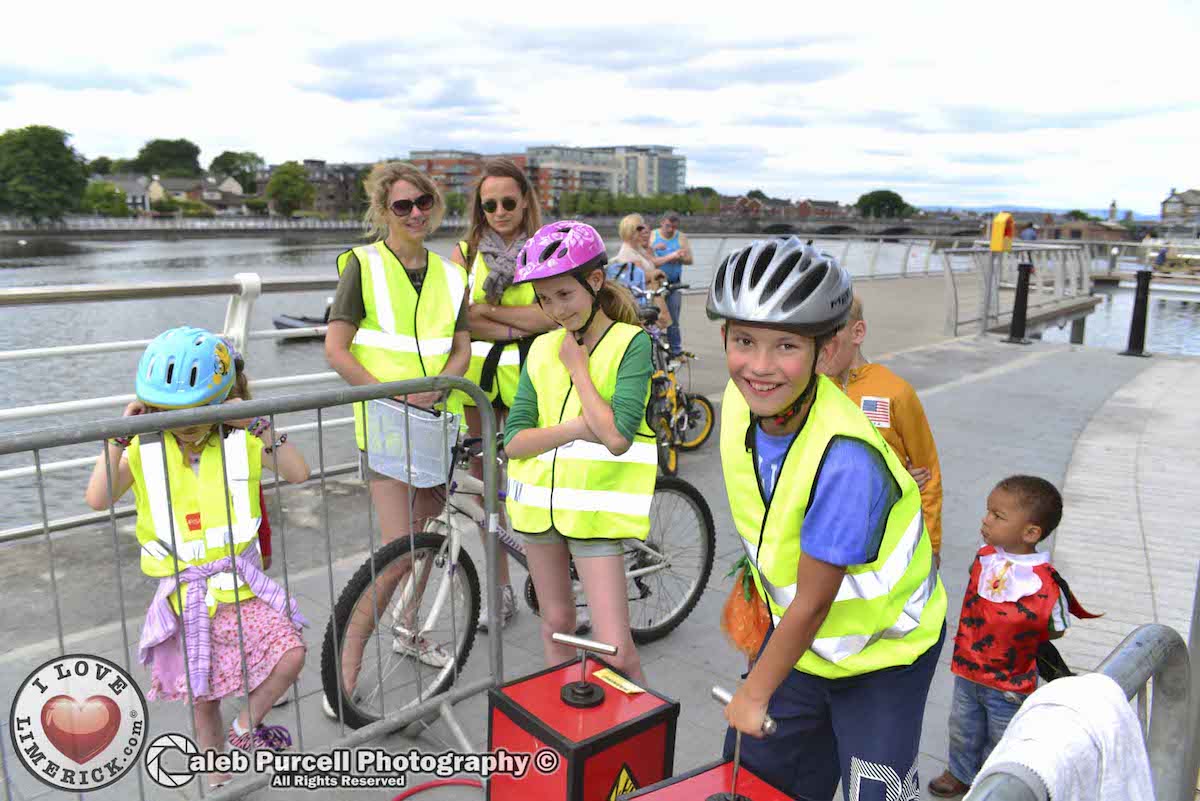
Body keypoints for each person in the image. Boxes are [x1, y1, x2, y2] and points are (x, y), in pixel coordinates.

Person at [709, 237, 947, 800]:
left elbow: (815, 600)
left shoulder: (847, 459)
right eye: (744, 341)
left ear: (828, 348)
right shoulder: (743, 401)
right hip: (801, 643)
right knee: (757, 780)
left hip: (885, 656)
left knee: (879, 792)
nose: (761, 368)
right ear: (724, 337)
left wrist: (753, 692)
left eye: (786, 345)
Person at [84, 327, 309, 787]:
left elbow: (298, 473)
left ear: (224, 399)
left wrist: (257, 423)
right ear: (151, 406)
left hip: (244, 591)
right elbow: (97, 497)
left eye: (200, 409)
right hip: (184, 599)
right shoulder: (144, 450)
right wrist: (119, 438)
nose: (186, 422)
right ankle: (216, 777)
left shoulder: (241, 441)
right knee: (202, 698)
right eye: (172, 411)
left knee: (291, 655)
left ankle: (246, 727)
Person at [324, 162, 471, 711]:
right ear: (384, 211)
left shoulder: (452, 275)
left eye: (423, 203)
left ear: (434, 206)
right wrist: (396, 394)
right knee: (399, 554)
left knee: (430, 537)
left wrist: (442, 385)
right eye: (402, 205)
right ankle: (347, 656)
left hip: (437, 420)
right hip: (387, 428)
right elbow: (337, 350)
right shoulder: (362, 266)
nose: (414, 213)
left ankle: (409, 626)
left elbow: (459, 342)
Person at [503, 221, 657, 683]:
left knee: (615, 649)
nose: (555, 310)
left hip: (594, 512)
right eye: (544, 300)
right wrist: (574, 427)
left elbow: (615, 437)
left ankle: (638, 740)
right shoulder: (538, 349)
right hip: (537, 513)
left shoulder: (632, 343)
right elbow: (514, 442)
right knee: (557, 627)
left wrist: (579, 371)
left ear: (594, 281)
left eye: (563, 295)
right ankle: (570, 731)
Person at [928, 476, 1098, 798]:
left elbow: (1058, 624)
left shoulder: (1043, 582)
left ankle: (996, 786)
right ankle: (960, 773)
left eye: (997, 516)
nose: (985, 519)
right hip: (968, 669)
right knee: (963, 727)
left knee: (1003, 735)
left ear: (1031, 533)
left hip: (1010, 682)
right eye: (988, 511)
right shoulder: (987, 556)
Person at [450, 157, 555, 632]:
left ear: (526, 200)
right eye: (488, 203)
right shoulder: (466, 252)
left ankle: (553, 583)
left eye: (508, 201)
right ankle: (501, 590)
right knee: (485, 491)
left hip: (533, 381)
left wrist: (495, 319)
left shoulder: (548, 248)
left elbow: (551, 316)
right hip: (479, 386)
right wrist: (515, 320)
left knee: (533, 488)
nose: (499, 211)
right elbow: (463, 317)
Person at [820, 293, 944, 561]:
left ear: (858, 332)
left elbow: (929, 474)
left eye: (830, 335)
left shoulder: (896, 392)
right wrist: (896, 478)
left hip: (888, 542)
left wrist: (931, 546)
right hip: (827, 536)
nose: (821, 347)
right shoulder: (813, 390)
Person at [612, 213, 671, 327]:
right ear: (630, 230)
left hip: (653, 294)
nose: (643, 231)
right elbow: (639, 276)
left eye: (642, 227)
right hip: (642, 299)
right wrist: (657, 273)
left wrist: (653, 248)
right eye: (639, 228)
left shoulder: (638, 248)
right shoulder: (627, 252)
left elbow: (652, 261)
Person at [650, 211, 692, 356]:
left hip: (674, 284)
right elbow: (645, 255)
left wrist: (680, 258)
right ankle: (655, 350)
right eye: (668, 226)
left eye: (674, 227)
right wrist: (655, 249)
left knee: (673, 319)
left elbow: (690, 260)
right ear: (662, 223)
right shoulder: (652, 236)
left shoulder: (680, 237)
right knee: (657, 318)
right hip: (656, 284)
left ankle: (676, 351)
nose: (670, 230)